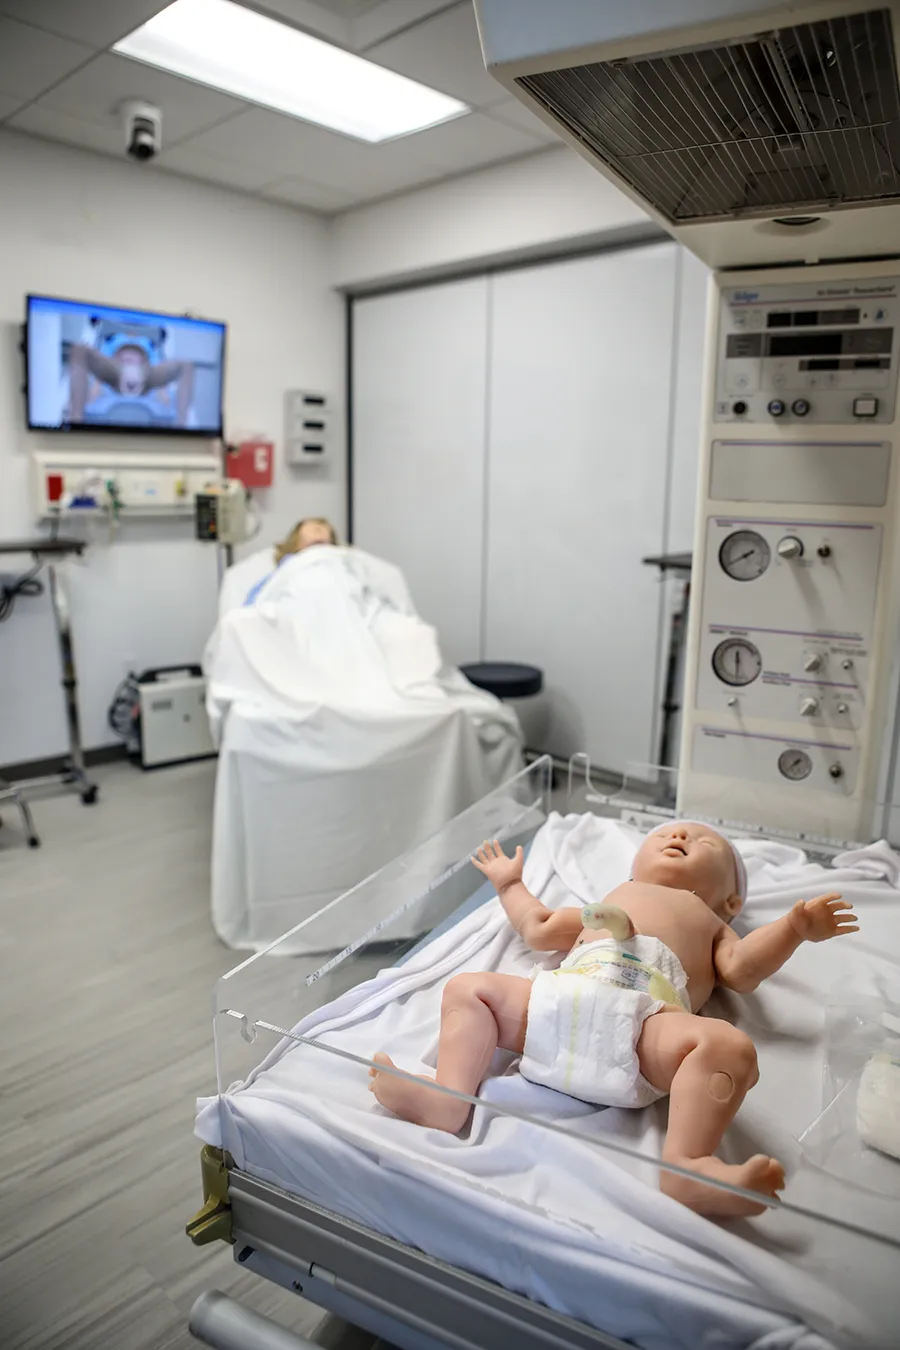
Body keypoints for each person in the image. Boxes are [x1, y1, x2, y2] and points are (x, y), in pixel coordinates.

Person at [368, 821, 858, 1217]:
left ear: (731, 902)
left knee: (729, 1048)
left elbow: (742, 970)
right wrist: (510, 884)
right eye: (664, 833)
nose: (679, 835)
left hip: (644, 1030)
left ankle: (688, 1166)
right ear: (634, 865)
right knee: (468, 988)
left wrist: (793, 929)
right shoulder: (613, 899)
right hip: (556, 1006)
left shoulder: (710, 921)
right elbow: (538, 926)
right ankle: (448, 1099)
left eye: (705, 842)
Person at [68, 338, 194, 426]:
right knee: (79, 349)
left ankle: (182, 430)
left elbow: (158, 363)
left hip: (144, 369)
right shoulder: (111, 338)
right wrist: (97, 383)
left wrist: (162, 387)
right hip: (117, 368)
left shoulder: (152, 342)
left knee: (186, 364)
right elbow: (102, 362)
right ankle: (75, 425)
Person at [243, 518, 339, 606]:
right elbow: (254, 605)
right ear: (295, 541)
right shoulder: (282, 572)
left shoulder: (340, 566)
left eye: (322, 526)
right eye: (313, 526)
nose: (318, 529)